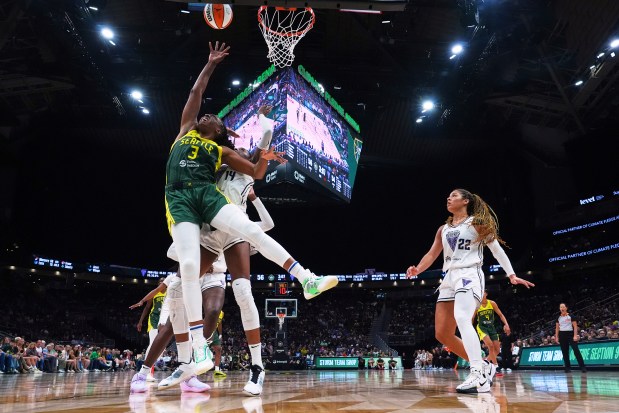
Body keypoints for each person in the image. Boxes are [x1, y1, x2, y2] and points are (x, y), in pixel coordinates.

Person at [164, 41, 338, 377]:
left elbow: (256, 169)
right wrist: (211, 63)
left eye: (214, 119)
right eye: (211, 115)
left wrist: (266, 132)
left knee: (252, 232)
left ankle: (306, 279)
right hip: (183, 205)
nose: (210, 114)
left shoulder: (223, 153)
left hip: (207, 200)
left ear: (218, 134)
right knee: (181, 277)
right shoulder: (187, 130)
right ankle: (186, 357)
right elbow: (194, 93)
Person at [406, 188, 534, 394]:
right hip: (449, 277)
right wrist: (418, 269)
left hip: (469, 273)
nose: (449, 198)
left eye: (454, 195)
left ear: (466, 201)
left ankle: (477, 375)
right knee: (442, 333)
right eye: (448, 196)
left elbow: (496, 249)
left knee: (463, 318)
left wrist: (511, 274)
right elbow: (432, 254)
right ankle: (484, 366)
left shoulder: (476, 223)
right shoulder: (443, 229)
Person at [137, 277, 167, 382]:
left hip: (165, 319)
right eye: (160, 281)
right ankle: (147, 371)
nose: (162, 282)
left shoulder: (170, 293)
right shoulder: (154, 293)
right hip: (154, 318)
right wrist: (140, 321)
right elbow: (147, 308)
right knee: (153, 342)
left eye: (163, 281)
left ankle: (150, 367)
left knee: (161, 345)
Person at [474, 290, 510, 377]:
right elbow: (472, 318)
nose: (481, 295)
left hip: (491, 327)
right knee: (490, 345)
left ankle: (484, 362)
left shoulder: (492, 303)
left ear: (486, 294)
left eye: (482, 293)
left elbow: (501, 315)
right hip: (482, 327)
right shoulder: (477, 305)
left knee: (497, 350)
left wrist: (506, 324)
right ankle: (496, 367)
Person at [554, 303, 586, 373]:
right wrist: (556, 337)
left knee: (576, 350)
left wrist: (575, 335)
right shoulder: (558, 317)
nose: (562, 308)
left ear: (566, 308)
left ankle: (582, 367)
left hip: (570, 334)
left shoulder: (571, 316)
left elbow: (575, 326)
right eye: (560, 307)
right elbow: (557, 328)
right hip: (562, 334)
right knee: (565, 352)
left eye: (563, 307)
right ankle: (567, 368)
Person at [211, 310, 226, 378]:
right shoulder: (210, 308)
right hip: (205, 330)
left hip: (214, 332)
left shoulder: (221, 313)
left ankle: (217, 370)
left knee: (218, 349)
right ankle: (193, 371)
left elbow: (219, 323)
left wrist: (220, 334)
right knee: (201, 350)